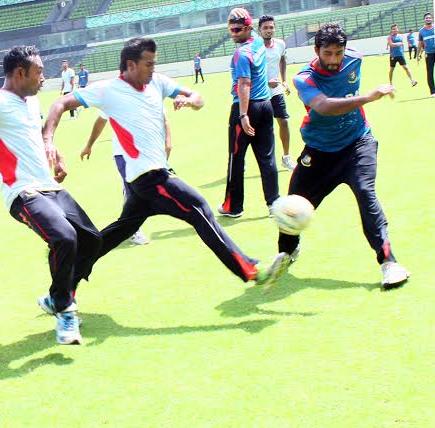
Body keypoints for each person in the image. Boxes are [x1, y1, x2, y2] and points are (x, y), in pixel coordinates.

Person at [43, 37, 290, 291]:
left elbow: (197, 96)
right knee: (200, 208)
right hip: (149, 177)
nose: (153, 69)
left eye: (154, 64)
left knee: (115, 234)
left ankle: (63, 287)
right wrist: (48, 139)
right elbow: (60, 103)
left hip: (146, 181)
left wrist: (190, 100)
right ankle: (253, 272)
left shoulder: (157, 82)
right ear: (130, 64)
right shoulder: (107, 90)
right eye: (148, 64)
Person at [0, 46, 102, 345]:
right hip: (23, 192)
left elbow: (35, 135)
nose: (44, 78)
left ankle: (58, 298)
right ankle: (65, 310)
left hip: (50, 187)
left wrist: (56, 154)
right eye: (39, 72)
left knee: (92, 239)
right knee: (65, 238)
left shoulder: (31, 102)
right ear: (20, 73)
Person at [285, 22, 410, 289]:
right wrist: (368, 97)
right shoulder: (304, 78)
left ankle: (390, 262)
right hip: (319, 153)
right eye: (327, 53)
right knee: (293, 205)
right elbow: (324, 106)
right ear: (316, 49)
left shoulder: (355, 59)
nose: (333, 59)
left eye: (338, 53)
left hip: (357, 143)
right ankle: (287, 252)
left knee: (366, 192)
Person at [79, 108, 174, 245]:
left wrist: (167, 142)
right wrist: (89, 145)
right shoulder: (113, 92)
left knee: (141, 190)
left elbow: (163, 117)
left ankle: (125, 227)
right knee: (133, 190)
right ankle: (133, 230)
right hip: (123, 153)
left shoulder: (150, 89)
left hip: (148, 150)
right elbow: (101, 120)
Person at [218, 8, 279, 219]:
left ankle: (233, 207)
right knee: (267, 157)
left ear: (248, 28)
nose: (233, 33)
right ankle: (274, 204)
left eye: (237, 29)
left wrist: (243, 115)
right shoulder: (258, 43)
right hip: (265, 105)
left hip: (246, 107)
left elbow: (244, 83)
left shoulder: (241, 53)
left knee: (236, 158)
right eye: (231, 29)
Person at [259, 14, 296, 171]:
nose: (269, 30)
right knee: (258, 128)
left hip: (275, 91)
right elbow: (249, 72)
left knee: (284, 121)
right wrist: (265, 82)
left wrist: (284, 80)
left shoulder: (280, 44)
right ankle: (243, 158)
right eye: (265, 28)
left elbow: (282, 60)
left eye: (271, 27)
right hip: (259, 93)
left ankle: (286, 157)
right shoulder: (255, 48)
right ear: (259, 30)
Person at [417, 12, 435, 97]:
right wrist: (418, 55)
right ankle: (433, 92)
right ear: (424, 20)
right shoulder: (421, 31)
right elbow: (420, 44)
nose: (428, 19)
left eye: (429, 18)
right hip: (429, 54)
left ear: (432, 18)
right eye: (426, 18)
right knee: (430, 72)